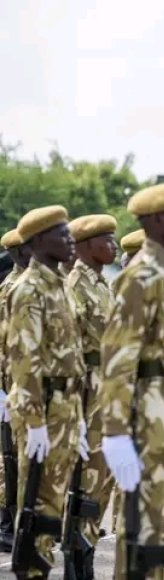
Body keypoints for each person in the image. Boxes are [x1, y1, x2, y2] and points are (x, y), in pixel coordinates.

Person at [100, 183, 164, 579]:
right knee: (143, 528)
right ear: (157, 221)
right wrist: (115, 431)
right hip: (150, 419)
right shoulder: (140, 276)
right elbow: (118, 358)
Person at [5, 206, 86, 577]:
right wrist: (35, 421)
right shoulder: (28, 289)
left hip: (67, 408)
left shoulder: (59, 285)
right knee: (37, 511)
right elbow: (25, 360)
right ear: (38, 241)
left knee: (55, 507)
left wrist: (79, 418)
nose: (71, 241)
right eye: (62, 235)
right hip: (44, 409)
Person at [66, 214, 119, 576]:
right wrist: (75, 416)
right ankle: (77, 559)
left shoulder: (102, 285)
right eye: (107, 240)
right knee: (86, 483)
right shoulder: (75, 287)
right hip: (88, 394)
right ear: (87, 246)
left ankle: (89, 545)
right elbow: (70, 355)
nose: (114, 247)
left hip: (107, 392)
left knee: (104, 480)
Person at [0, 228, 30, 550]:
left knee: (19, 457)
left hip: (21, 384)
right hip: (11, 385)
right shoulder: (10, 287)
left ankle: (15, 520)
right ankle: (7, 523)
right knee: (10, 458)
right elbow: (3, 343)